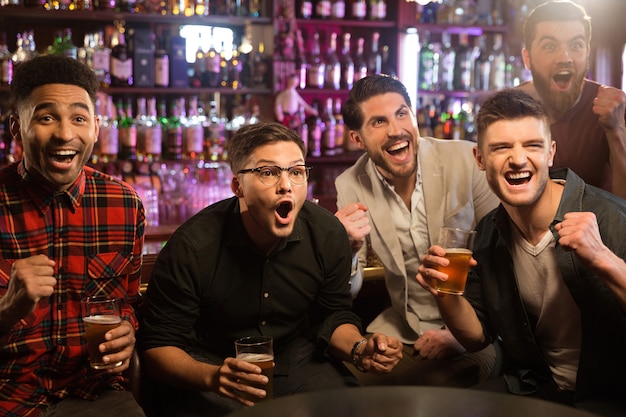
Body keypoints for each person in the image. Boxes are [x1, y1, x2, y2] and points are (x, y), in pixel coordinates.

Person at [138, 122, 402, 417]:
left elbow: (332, 317)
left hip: (295, 358)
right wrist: (213, 377)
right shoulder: (193, 246)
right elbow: (158, 348)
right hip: (210, 363)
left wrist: (359, 348)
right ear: (238, 186)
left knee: (357, 409)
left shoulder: (327, 234)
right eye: (268, 172)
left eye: (296, 171)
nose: (286, 184)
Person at [417, 89, 626, 416]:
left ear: (551, 153)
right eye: (501, 148)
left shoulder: (611, 217)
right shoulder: (488, 232)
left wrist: (604, 259)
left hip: (609, 396)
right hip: (535, 389)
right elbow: (476, 338)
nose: (518, 159)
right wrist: (444, 293)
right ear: (480, 159)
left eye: (532, 145)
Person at [0, 55, 146, 416]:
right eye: (46, 117)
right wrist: (7, 310)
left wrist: (127, 329)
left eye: (79, 118)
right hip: (8, 395)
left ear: (95, 128)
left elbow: (126, 302)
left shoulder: (125, 204)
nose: (65, 134)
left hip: (95, 395)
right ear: (17, 128)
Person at [334, 74, 500, 387]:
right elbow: (348, 291)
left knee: (419, 397)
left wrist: (460, 335)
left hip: (477, 332)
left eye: (401, 114)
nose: (396, 130)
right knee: (338, 389)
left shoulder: (468, 160)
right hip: (400, 332)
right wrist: (348, 250)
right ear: (357, 139)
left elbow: (505, 263)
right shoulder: (350, 184)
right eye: (378, 122)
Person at [517, 0, 626, 198]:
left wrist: (616, 130)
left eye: (576, 45)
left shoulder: (613, 109)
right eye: (550, 46)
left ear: (587, 53)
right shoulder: (506, 109)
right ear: (528, 59)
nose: (565, 57)